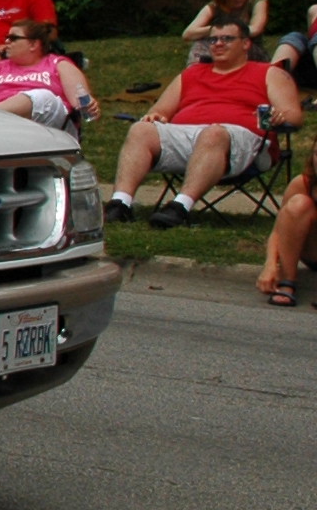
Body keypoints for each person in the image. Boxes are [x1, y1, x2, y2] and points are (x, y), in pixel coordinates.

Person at [111, 18, 303, 226]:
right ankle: (120, 203)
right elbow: (159, 110)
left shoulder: (269, 73)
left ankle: (180, 207)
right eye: (213, 40)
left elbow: (294, 116)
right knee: (140, 129)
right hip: (189, 137)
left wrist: (279, 116)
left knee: (214, 133)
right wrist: (156, 116)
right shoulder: (191, 74)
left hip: (242, 143)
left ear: (246, 43)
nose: (218, 44)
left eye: (227, 39)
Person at [0, 18, 93, 131]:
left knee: (42, 97)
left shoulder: (57, 64)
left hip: (48, 128)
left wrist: (89, 106)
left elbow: (81, 99)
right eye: (7, 38)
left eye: (13, 38)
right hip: (2, 126)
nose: (7, 42)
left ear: (33, 44)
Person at [182, 0, 271, 62]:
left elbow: (255, 29)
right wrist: (215, 30)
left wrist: (227, 32)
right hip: (221, 47)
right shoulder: (214, 6)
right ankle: (196, 70)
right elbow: (188, 34)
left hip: (250, 49)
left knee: (236, 43)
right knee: (199, 45)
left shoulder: (257, 2)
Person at [257, 172, 314, 307]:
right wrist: (270, 265)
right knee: (298, 203)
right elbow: (278, 231)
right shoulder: (303, 182)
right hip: (312, 251)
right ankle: (286, 281)